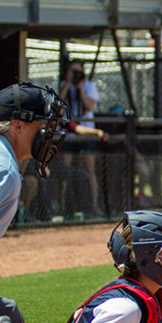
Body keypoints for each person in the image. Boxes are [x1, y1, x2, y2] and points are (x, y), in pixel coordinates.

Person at [0, 82, 66, 323]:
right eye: (42, 127)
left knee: (10, 317)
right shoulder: (0, 168)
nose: (49, 135)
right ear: (17, 126)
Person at [59, 60, 101, 215]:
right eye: (72, 71)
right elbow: (58, 106)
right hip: (69, 133)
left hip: (86, 132)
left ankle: (93, 206)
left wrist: (80, 88)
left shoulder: (89, 86)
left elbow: (89, 106)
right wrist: (68, 83)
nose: (76, 75)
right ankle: (61, 207)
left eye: (78, 72)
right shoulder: (65, 84)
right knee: (64, 168)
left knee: (89, 169)